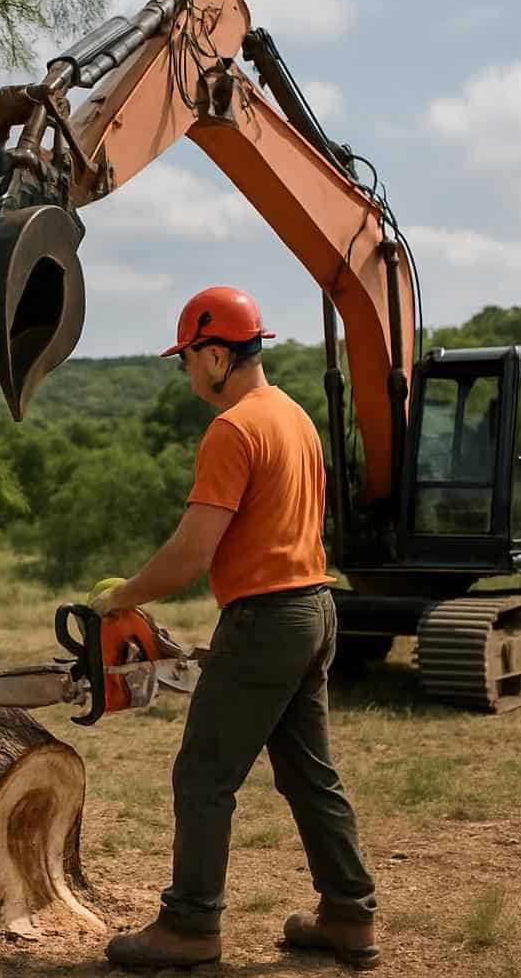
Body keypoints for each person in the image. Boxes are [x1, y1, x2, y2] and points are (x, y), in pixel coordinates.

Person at [92, 285, 380, 970]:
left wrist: (123, 597)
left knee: (203, 775)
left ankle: (190, 927)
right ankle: (349, 916)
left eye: (188, 358)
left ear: (217, 355)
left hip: (266, 620)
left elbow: (193, 553)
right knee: (309, 775)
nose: (187, 371)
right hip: (316, 608)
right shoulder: (295, 418)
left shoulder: (233, 429)